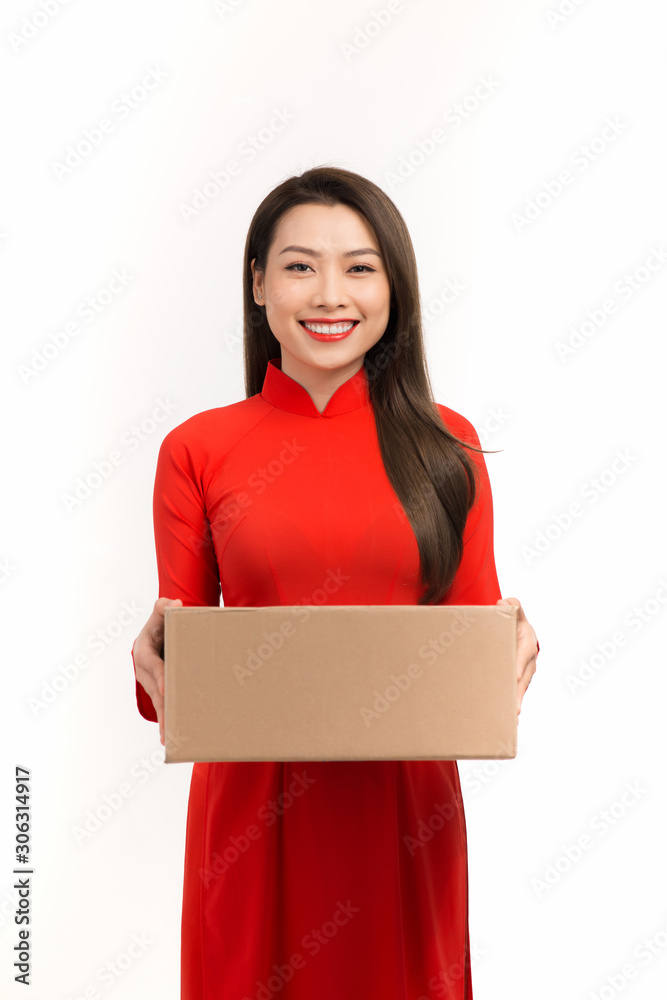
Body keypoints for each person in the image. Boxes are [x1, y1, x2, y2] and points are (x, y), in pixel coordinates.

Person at [131, 165, 539, 999]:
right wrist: (155, 658)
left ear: (393, 287)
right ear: (257, 284)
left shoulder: (445, 446)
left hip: (402, 812)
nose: (329, 293)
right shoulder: (196, 450)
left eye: (359, 266)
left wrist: (509, 656)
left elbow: (469, 647)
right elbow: (183, 661)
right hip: (251, 813)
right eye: (298, 265)